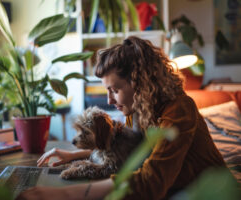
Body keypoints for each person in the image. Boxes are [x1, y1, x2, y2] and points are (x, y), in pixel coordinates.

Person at [16, 36, 226, 200]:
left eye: (114, 90)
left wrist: (64, 194)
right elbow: (129, 150)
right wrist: (73, 155)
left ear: (139, 82)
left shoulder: (179, 109)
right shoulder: (138, 110)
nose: (109, 100)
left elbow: (152, 182)